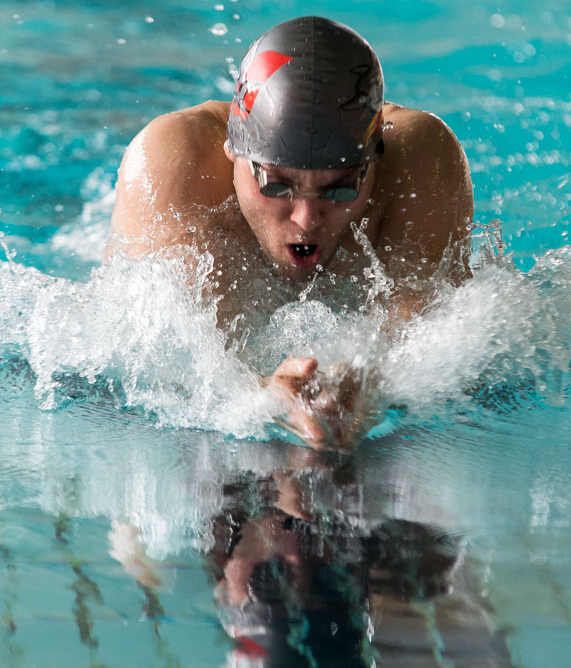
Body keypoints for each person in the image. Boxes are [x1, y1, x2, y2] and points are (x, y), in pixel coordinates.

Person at [109, 16, 473, 450]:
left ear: (375, 162)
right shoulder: (174, 166)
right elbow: (151, 371)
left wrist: (368, 385)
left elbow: (430, 346)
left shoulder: (421, 164)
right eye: (276, 185)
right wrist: (262, 396)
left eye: (340, 186)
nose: (306, 218)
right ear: (233, 150)